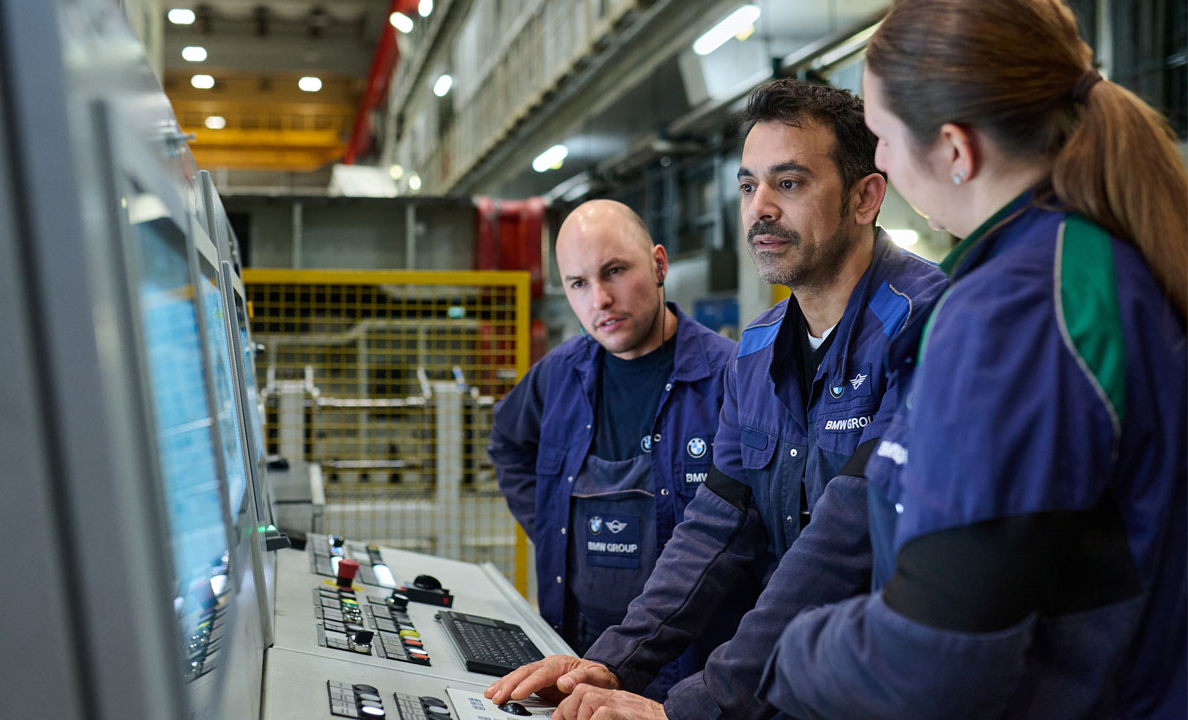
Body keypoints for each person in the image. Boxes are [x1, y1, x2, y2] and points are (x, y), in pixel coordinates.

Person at [757, 1, 1188, 718]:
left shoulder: (1016, 313)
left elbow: (932, 660)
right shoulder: (1089, 262)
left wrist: (796, 653)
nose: (882, 163)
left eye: (882, 137)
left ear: (956, 151)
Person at [487, 79, 947, 719]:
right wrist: (616, 662)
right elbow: (717, 526)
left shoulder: (928, 327)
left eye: (789, 183)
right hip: (799, 688)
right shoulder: (757, 352)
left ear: (866, 197)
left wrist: (692, 708)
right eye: (748, 185)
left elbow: (844, 545)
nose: (760, 207)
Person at [488, 199, 751, 700]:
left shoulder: (729, 377)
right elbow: (508, 444)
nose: (600, 299)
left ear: (658, 265)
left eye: (615, 271)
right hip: (575, 647)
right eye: (578, 283)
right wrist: (551, 528)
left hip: (688, 662)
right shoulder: (560, 375)